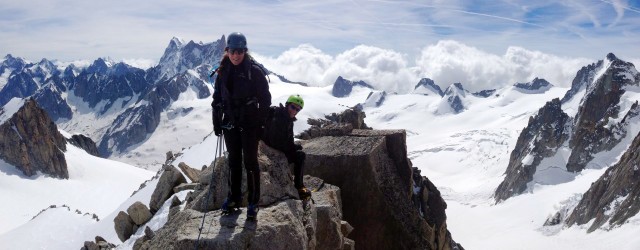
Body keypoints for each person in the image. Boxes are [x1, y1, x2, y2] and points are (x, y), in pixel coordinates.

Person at [211, 32, 271, 219]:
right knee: (234, 162)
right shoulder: (222, 72)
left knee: (251, 163)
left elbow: (265, 100)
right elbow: (217, 99)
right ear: (227, 51)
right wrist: (217, 121)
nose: (236, 55)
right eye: (232, 51)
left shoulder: (255, 71)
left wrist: (261, 124)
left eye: (240, 51)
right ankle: (234, 198)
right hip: (230, 124)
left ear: (245, 51)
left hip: (250, 124)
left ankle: (253, 202)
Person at [262, 94, 312, 200]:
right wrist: (292, 148)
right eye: (293, 107)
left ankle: (298, 185)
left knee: (299, 153)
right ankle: (299, 186)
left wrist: (293, 146)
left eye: (297, 109)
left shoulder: (287, 119)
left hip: (277, 149)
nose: (294, 111)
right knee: (300, 156)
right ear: (287, 105)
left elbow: (287, 140)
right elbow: (275, 141)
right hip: (273, 150)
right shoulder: (279, 117)